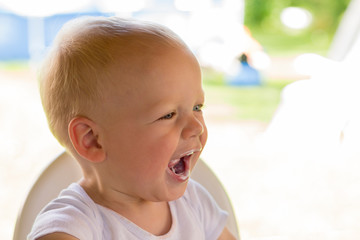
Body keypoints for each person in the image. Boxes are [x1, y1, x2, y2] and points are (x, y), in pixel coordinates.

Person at [28, 16, 236, 240]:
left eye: (197, 107)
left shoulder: (195, 205)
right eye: (168, 115)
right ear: (92, 139)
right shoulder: (70, 229)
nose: (196, 127)